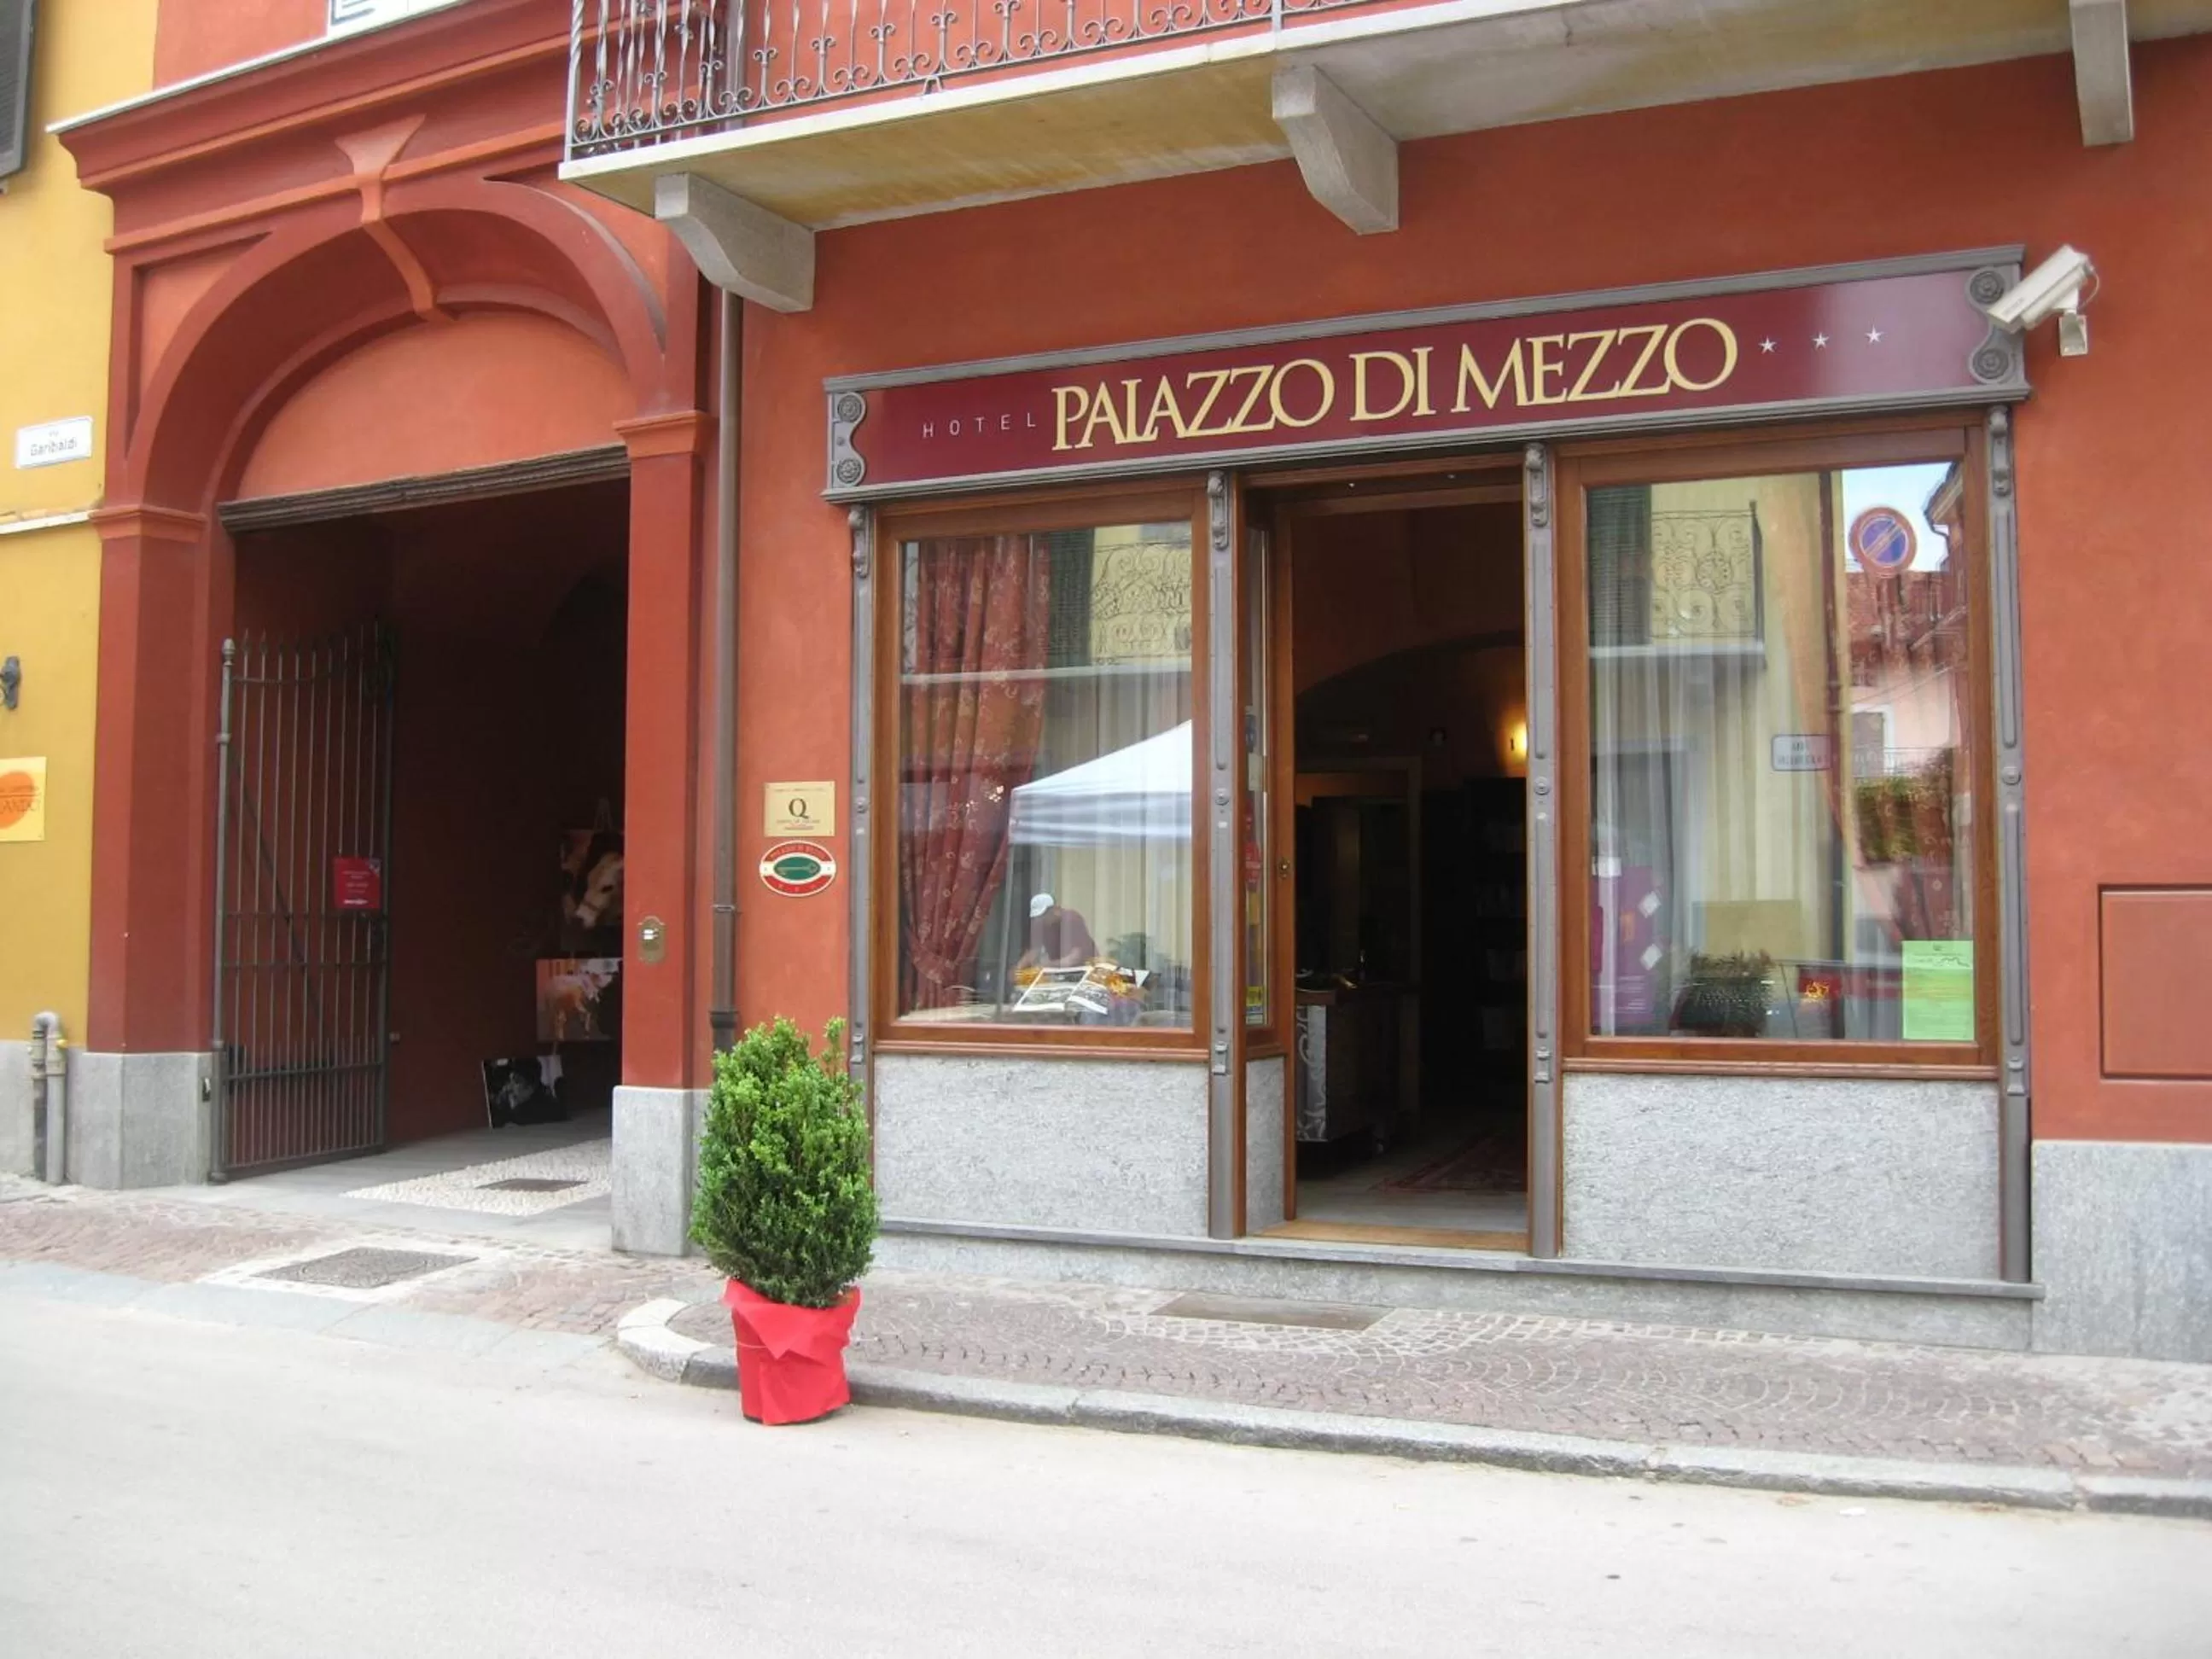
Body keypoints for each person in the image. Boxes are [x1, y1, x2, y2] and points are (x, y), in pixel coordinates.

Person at [1017, 892, 1097, 971]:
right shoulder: (1041, 924)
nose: (1041, 919)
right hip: (1060, 972)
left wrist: (1047, 965)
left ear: (1055, 909)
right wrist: (1018, 969)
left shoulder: (1071, 919)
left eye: (1044, 915)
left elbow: (1074, 959)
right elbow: (1033, 951)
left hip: (1085, 971)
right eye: (1038, 917)